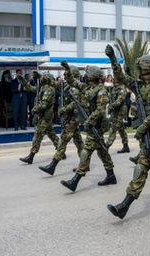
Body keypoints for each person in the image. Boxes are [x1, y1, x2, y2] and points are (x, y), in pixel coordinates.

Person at [106, 45, 150, 219]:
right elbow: (121, 77)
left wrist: (144, 125)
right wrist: (113, 60)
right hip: (146, 133)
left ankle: (125, 205)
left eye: (141, 68)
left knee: (142, 166)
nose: (139, 71)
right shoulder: (138, 85)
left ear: (147, 69)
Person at [60, 63, 117, 192]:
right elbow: (72, 83)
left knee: (86, 151)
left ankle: (75, 180)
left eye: (87, 74)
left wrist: (90, 121)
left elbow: (100, 110)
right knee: (102, 151)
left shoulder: (101, 91)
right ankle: (111, 175)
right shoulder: (86, 87)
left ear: (92, 76)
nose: (85, 76)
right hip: (91, 124)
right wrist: (67, 70)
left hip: (96, 125)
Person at [39, 65, 84, 175]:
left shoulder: (75, 88)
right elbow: (55, 84)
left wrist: (64, 109)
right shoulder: (68, 85)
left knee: (63, 141)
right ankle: (84, 164)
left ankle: (52, 166)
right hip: (70, 117)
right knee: (79, 143)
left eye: (67, 75)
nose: (64, 77)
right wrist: (44, 78)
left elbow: (75, 103)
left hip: (73, 118)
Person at [19, 72, 59, 164]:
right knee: (52, 135)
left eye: (43, 77)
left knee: (37, 135)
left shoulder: (48, 89)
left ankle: (31, 156)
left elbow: (44, 104)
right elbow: (29, 88)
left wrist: (35, 109)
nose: (41, 78)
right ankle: (61, 151)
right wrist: (23, 80)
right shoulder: (42, 87)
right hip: (44, 116)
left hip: (46, 116)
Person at [106, 74, 130, 153]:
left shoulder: (122, 88)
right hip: (115, 110)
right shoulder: (113, 88)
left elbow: (120, 100)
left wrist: (111, 107)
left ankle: (107, 146)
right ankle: (126, 146)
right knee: (121, 129)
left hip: (121, 110)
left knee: (114, 127)